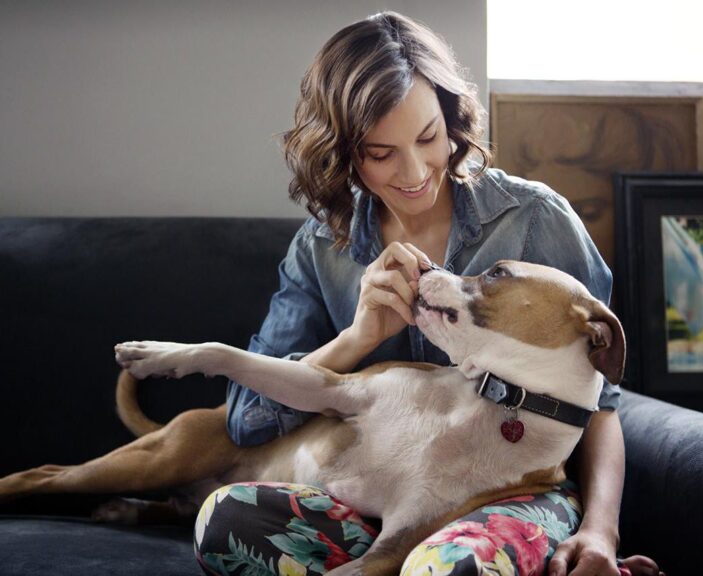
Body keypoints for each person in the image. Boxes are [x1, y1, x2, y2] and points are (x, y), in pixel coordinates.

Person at [195, 12, 661, 576]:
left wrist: (600, 532)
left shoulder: (536, 221)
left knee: (451, 567)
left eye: (427, 137)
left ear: (451, 119)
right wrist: (357, 338)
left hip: (505, 502)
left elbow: (602, 406)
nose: (415, 171)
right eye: (381, 152)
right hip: (372, 503)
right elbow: (247, 421)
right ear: (343, 152)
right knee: (228, 521)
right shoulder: (321, 249)